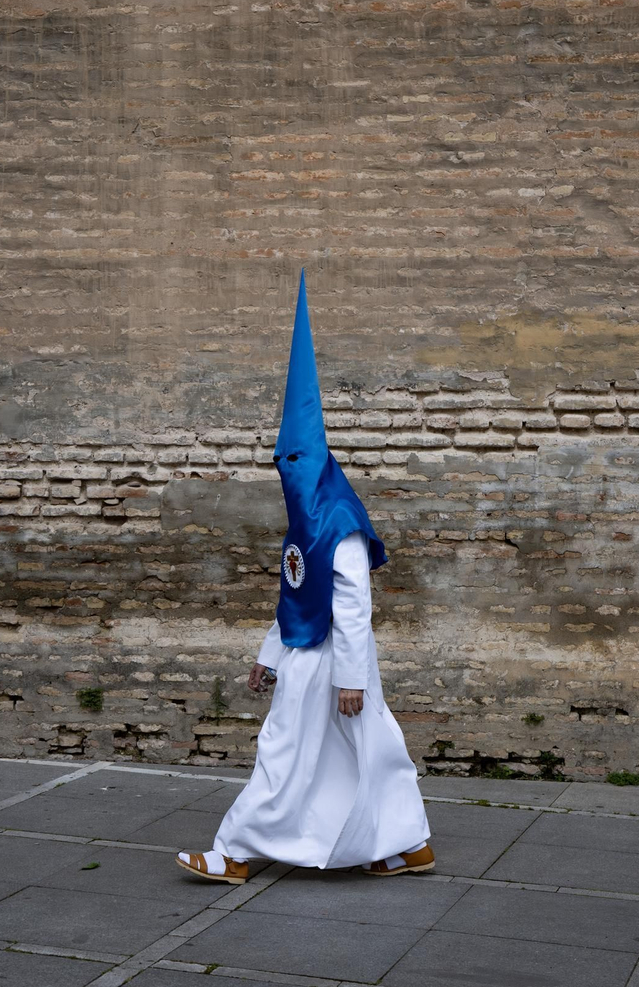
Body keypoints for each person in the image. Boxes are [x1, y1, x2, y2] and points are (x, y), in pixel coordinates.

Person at [176, 270, 433, 884]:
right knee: (359, 750)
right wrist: (267, 654)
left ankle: (234, 851)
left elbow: (351, 602)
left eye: (297, 459)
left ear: (318, 462)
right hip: (305, 653)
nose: (287, 469)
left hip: (331, 660)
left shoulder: (338, 520)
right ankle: (406, 844)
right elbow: (294, 593)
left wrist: (349, 676)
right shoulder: (303, 521)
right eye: (281, 459)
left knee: (292, 747)